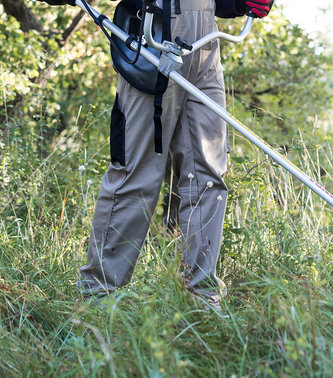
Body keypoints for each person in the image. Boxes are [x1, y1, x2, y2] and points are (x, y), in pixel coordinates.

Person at [41, 0, 273, 308]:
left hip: (205, 44)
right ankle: (98, 300)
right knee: (137, 176)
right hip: (154, 35)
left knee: (207, 175)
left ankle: (202, 300)